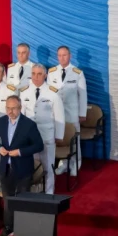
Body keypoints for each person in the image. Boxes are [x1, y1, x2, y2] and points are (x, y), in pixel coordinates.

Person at [0, 95, 45, 236]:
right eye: (8, 108)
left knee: (22, 199)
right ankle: (8, 227)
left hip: (23, 168)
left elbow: (39, 145)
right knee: (8, 200)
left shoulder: (29, 125)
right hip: (5, 168)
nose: (10, 111)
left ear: (20, 108)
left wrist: (20, 152)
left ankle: (23, 228)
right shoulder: (1, 121)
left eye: (13, 108)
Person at [20, 65, 64, 194]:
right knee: (31, 166)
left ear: (45, 76)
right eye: (33, 74)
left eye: (39, 74)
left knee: (48, 166)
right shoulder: (24, 92)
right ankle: (34, 191)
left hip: (46, 135)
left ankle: (49, 192)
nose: (36, 77)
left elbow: (59, 116)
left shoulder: (53, 92)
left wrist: (59, 135)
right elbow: (21, 116)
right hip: (29, 138)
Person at [47, 46, 88, 174]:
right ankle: (63, 163)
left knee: (74, 137)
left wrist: (82, 113)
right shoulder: (52, 72)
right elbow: (49, 93)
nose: (62, 58)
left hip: (72, 111)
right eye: (59, 55)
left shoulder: (77, 72)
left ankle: (76, 163)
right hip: (57, 113)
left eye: (64, 55)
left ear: (70, 56)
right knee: (60, 137)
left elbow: (83, 95)